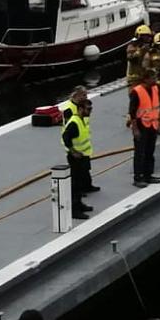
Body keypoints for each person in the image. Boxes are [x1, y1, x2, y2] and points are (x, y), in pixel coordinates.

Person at [59, 87, 96, 220]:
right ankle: (74, 209)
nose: (90, 112)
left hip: (83, 155)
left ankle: (79, 204)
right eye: (88, 110)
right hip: (76, 157)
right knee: (75, 182)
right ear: (80, 109)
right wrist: (73, 151)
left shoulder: (81, 120)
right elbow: (65, 137)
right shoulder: (74, 122)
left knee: (80, 182)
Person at [129, 72, 160, 185]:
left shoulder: (155, 88)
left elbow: (156, 106)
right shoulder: (137, 92)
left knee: (150, 151)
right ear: (146, 79)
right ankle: (138, 177)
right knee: (140, 152)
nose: (155, 79)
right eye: (153, 77)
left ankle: (148, 174)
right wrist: (135, 129)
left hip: (152, 124)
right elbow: (132, 112)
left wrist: (159, 121)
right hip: (141, 125)